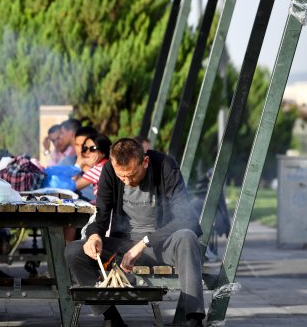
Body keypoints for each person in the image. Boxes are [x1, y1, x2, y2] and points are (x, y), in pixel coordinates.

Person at [64, 138, 205, 327]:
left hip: (161, 246)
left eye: (132, 174)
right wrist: (94, 235)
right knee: (73, 251)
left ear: (144, 162)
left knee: (187, 237)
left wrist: (144, 242)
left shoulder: (164, 166)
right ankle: (112, 318)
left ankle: (194, 320)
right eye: (122, 177)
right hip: (122, 247)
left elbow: (188, 219)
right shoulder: (108, 171)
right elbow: (101, 215)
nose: (128, 181)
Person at [74, 134, 112, 199]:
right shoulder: (108, 164)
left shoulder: (100, 168)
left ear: (103, 153)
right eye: (85, 148)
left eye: (93, 148)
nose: (87, 152)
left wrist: (79, 164)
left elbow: (70, 187)